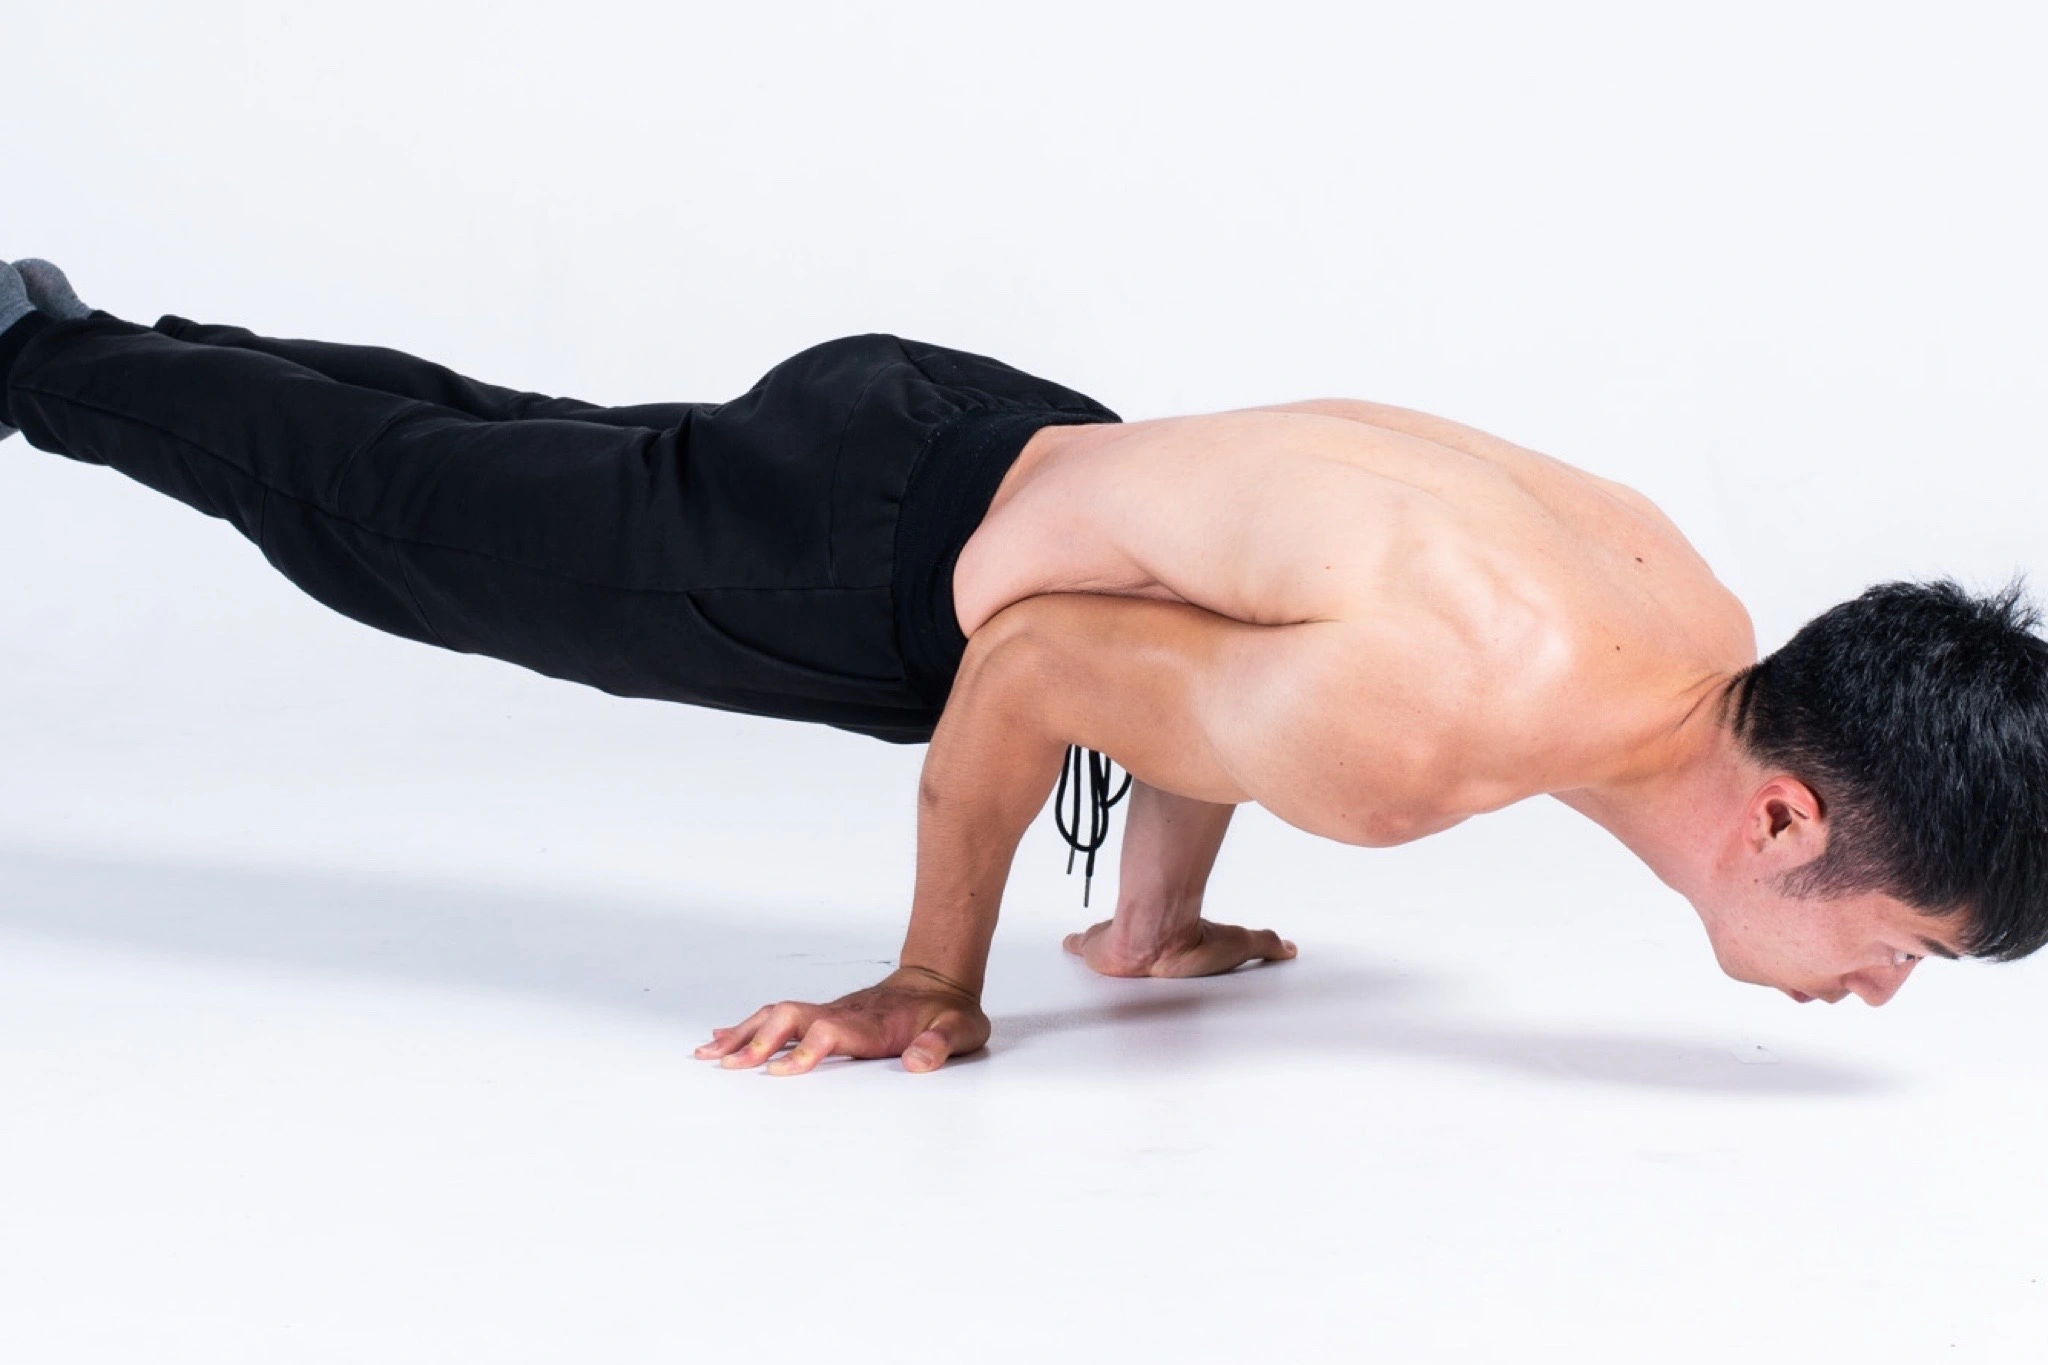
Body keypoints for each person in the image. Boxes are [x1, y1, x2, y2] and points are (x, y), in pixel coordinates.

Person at [5, 259, 2045, 1079]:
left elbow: (1234, 633)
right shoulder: (1423, 748)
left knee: (490, 458)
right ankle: (37, 355)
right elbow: (1047, 665)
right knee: (409, 532)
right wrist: (928, 976)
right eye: (1908, 945)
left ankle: (106, 336)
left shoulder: (1676, 614)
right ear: (1784, 814)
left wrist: (1149, 914)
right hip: (868, 552)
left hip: (975, 429)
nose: (1874, 986)